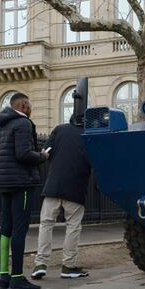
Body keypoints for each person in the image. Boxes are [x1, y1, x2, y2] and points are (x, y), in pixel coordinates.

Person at [0, 93, 48, 289]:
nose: (31, 108)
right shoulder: (23, 124)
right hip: (21, 182)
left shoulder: (1, 125)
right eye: (30, 105)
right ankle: (17, 277)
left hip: (5, 181)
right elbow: (23, 154)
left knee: (5, 229)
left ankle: (3, 278)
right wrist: (42, 156)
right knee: (19, 229)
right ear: (24, 105)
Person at [32, 114, 91, 279]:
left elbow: (46, 154)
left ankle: (40, 264)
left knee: (46, 224)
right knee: (73, 226)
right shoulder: (90, 135)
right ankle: (68, 266)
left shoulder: (59, 130)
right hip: (76, 187)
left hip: (54, 185)